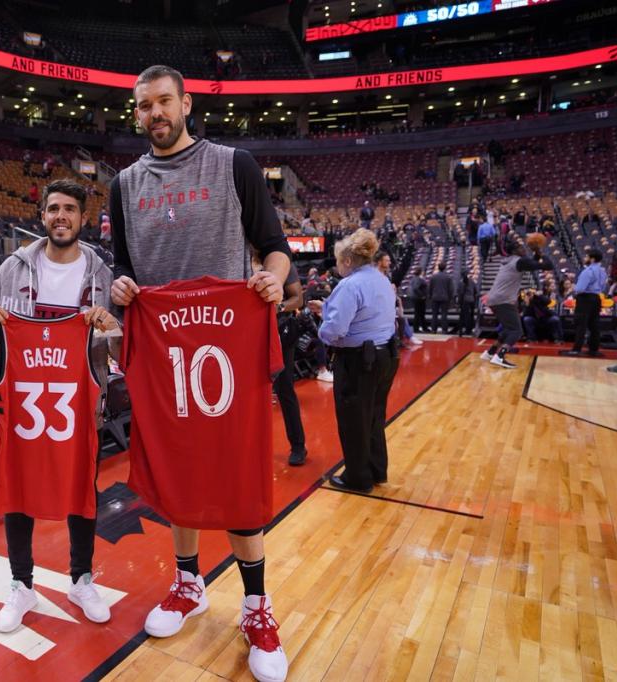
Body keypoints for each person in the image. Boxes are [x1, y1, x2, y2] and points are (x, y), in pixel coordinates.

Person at [108, 65, 292, 682]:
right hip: (164, 354)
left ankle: (257, 606)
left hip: (227, 347)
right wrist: (123, 287)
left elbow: (275, 246)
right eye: (144, 106)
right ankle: (188, 584)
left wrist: (273, 278)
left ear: (186, 104)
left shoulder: (234, 163)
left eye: (164, 101)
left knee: (236, 473)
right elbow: (124, 273)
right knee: (177, 469)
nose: (154, 113)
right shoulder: (123, 184)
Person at [0, 179, 120, 633]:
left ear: (81, 218)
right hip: (22, 407)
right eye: (53, 208)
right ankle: (22, 584)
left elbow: (118, 345)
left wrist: (111, 326)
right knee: (19, 493)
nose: (60, 216)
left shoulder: (100, 275)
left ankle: (81, 578)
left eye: (69, 209)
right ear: (42, 216)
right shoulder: (12, 269)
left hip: (79, 405)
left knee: (81, 492)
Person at [312, 229, 398, 494]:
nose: (337, 266)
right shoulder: (380, 279)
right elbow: (365, 313)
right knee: (373, 416)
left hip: (359, 361)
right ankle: (376, 469)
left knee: (353, 420)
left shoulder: (349, 285)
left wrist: (323, 322)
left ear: (347, 261)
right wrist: (328, 307)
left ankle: (357, 478)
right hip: (385, 355)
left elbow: (332, 332)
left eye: (338, 260)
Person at [481, 239, 554, 369]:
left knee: (509, 329)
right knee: (517, 330)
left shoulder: (511, 260)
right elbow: (548, 266)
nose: (524, 249)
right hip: (503, 299)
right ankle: (500, 356)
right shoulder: (520, 261)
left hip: (494, 298)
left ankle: (490, 352)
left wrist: (536, 253)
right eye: (521, 247)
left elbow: (532, 263)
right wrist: (541, 253)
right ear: (515, 250)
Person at [273, 265, 307, 466]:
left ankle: (298, 445)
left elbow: (298, 299)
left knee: (285, 390)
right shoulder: (241, 259)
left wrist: (276, 307)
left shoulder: (283, 263)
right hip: (248, 333)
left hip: (281, 332)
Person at [561, 248, 607, 357]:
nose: (584, 258)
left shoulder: (588, 271)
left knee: (581, 324)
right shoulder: (602, 271)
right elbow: (603, 286)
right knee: (594, 324)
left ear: (592, 259)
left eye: (586, 257)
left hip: (585, 299)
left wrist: (573, 286)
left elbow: (580, 288)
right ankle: (594, 349)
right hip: (596, 298)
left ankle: (577, 349)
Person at [428, 261, 455, 333]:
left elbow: (430, 287)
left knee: (434, 314)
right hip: (444, 298)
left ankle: (433, 330)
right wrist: (450, 298)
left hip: (435, 297)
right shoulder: (448, 277)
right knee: (444, 314)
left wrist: (430, 296)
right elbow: (451, 289)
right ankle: (444, 330)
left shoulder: (433, 276)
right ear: (445, 268)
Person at [457, 269, 478, 337]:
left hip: (464, 300)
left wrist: (459, 303)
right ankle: (469, 330)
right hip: (471, 300)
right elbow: (475, 291)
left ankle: (462, 330)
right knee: (470, 316)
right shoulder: (472, 281)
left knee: (463, 316)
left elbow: (460, 293)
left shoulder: (461, 282)